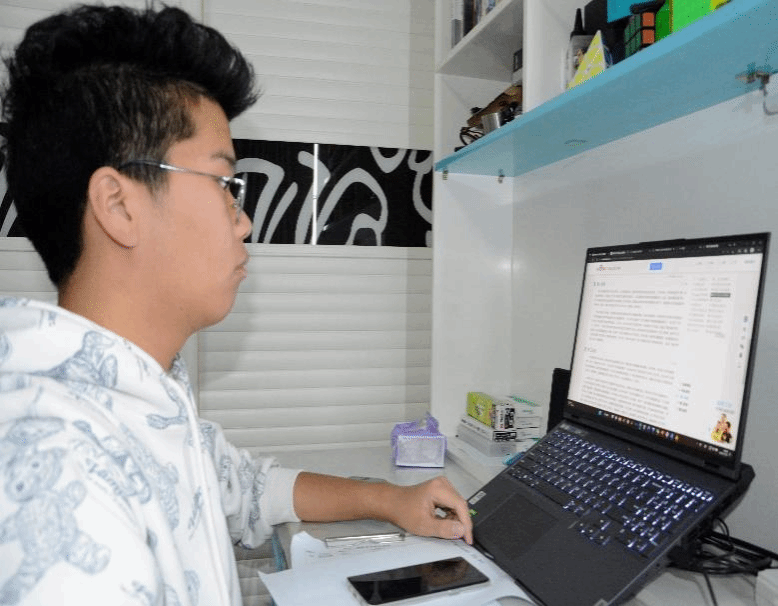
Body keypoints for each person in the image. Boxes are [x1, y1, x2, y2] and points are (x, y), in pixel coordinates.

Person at [0, 5, 472, 605]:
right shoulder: (55, 479)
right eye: (225, 185)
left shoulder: (142, 394)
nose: (244, 221)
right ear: (118, 207)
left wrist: (390, 499)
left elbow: (245, 489)